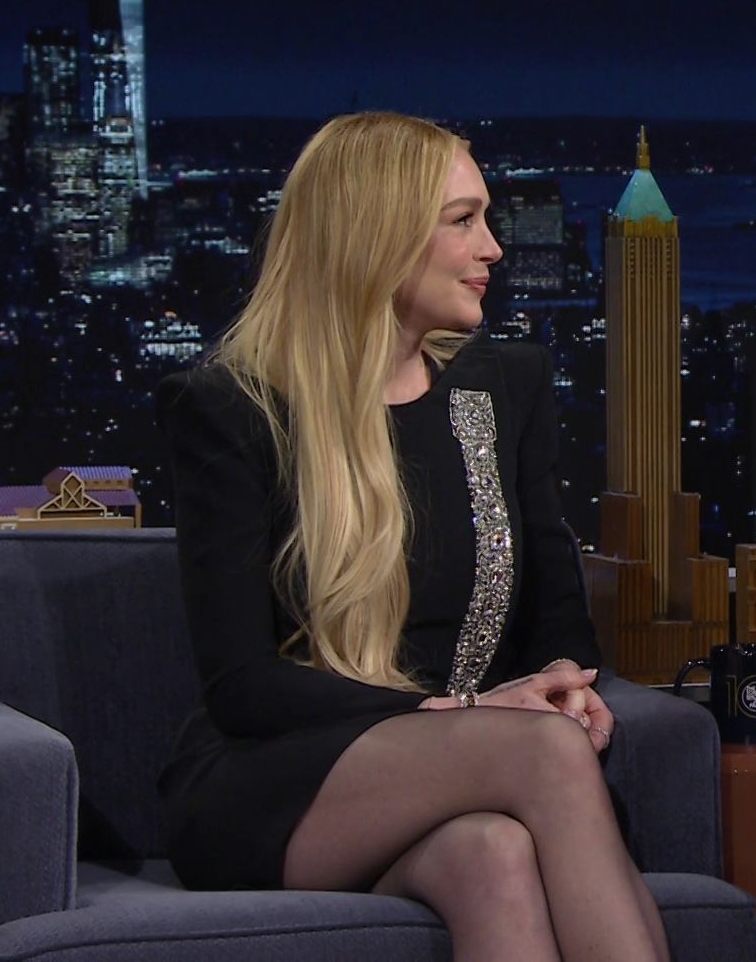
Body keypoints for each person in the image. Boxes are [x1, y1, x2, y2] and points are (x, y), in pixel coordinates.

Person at [156, 112, 669, 961]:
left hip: (479, 768)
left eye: (487, 219)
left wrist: (562, 684)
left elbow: (558, 616)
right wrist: (466, 715)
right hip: (279, 781)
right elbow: (242, 687)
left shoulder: (508, 387)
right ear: (378, 237)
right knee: (544, 755)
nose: (493, 248)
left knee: (493, 855)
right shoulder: (233, 409)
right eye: (463, 220)